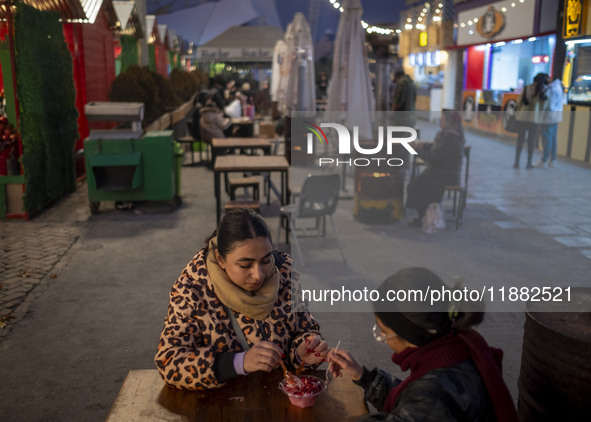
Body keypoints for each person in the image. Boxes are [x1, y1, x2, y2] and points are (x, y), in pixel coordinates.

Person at [155, 208, 327, 390]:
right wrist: (239, 362)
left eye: (266, 260)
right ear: (221, 259)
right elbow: (169, 361)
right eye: (245, 265)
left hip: (278, 397)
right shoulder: (192, 288)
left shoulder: (285, 271)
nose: (258, 275)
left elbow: (304, 328)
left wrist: (302, 352)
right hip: (221, 405)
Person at [327, 267, 519, 422]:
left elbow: (419, 405)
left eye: (382, 332)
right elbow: (410, 400)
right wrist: (364, 376)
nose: (383, 339)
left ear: (408, 334)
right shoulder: (459, 350)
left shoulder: (432, 394)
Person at [406, 110, 465, 227]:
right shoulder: (450, 135)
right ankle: (423, 215)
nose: (440, 122)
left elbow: (433, 157)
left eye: (442, 119)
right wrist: (424, 146)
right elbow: (438, 149)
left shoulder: (450, 138)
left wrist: (416, 151)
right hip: (444, 173)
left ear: (448, 122)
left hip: (446, 175)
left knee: (416, 185)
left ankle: (424, 216)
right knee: (419, 182)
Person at [513, 73, 549, 169]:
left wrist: (517, 114)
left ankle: (516, 162)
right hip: (534, 120)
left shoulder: (527, 88)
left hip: (522, 118)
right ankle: (528, 163)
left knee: (520, 140)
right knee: (531, 142)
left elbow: (519, 102)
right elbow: (545, 107)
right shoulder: (544, 90)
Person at [537, 76, 564, 168]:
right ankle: (553, 160)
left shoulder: (551, 89)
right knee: (553, 139)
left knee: (546, 139)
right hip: (556, 117)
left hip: (548, 118)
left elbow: (550, 105)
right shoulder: (559, 87)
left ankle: (544, 160)